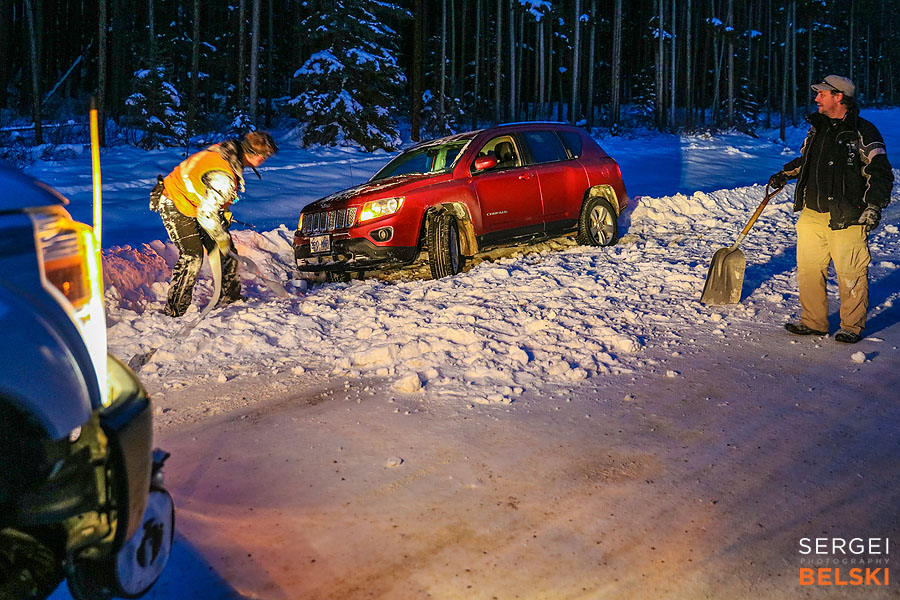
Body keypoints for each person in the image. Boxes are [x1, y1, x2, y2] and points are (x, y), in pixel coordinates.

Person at [768, 75, 893, 344]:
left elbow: (880, 172)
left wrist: (873, 206)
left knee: (851, 273)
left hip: (848, 215)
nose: (816, 99)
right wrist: (785, 173)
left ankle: (852, 326)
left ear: (839, 96)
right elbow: (806, 160)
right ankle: (814, 322)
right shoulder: (817, 129)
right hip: (813, 213)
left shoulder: (863, 131)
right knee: (809, 269)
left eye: (821, 94)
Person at [151, 131, 278, 317]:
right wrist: (220, 236)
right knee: (192, 256)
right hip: (174, 201)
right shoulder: (224, 176)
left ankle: (230, 297)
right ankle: (175, 311)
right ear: (258, 157)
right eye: (265, 157)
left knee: (227, 251)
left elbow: (205, 193)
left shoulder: (226, 151)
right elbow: (206, 215)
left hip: (192, 201)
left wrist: (221, 214)